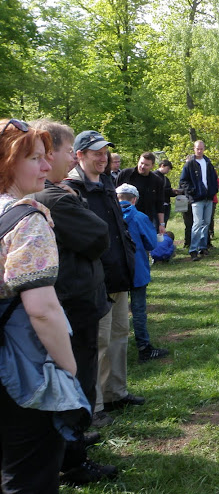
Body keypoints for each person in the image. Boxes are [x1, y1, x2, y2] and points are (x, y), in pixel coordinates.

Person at [30, 119, 117, 485]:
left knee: (80, 376)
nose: (68, 159)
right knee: (73, 379)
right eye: (68, 151)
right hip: (72, 301)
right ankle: (73, 460)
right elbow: (98, 234)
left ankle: (73, 441)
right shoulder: (54, 197)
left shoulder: (58, 193)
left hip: (79, 298)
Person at [0, 119, 81, 493]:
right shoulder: (27, 221)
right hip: (21, 369)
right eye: (35, 158)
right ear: (7, 162)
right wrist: (68, 368)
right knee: (29, 474)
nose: (47, 166)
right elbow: (42, 309)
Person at [65, 131, 144, 428]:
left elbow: (118, 226)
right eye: (96, 153)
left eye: (105, 153)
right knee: (97, 342)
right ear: (80, 155)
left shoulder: (107, 181)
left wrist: (129, 254)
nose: (103, 158)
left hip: (119, 272)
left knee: (120, 334)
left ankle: (115, 393)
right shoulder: (71, 188)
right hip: (96, 279)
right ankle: (94, 405)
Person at [116, 183, 169, 363]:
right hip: (137, 269)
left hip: (115, 271)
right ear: (134, 200)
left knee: (115, 312)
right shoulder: (139, 217)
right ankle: (143, 347)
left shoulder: (109, 216)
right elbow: (152, 244)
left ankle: (117, 352)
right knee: (138, 310)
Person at [179, 140, 218, 261]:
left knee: (206, 223)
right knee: (197, 223)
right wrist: (193, 191)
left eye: (201, 148)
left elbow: (214, 178)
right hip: (197, 198)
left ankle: (203, 246)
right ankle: (193, 249)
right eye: (197, 148)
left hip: (208, 198)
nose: (199, 151)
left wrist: (213, 191)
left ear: (204, 149)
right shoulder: (189, 164)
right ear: (194, 149)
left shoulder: (208, 163)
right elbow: (183, 181)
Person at [116, 152, 166, 232]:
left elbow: (160, 204)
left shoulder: (157, 181)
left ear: (152, 166)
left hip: (146, 218)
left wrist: (161, 224)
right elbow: (113, 194)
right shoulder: (125, 174)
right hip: (123, 217)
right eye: (141, 163)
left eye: (146, 165)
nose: (142, 166)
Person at [153, 159, 177, 228]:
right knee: (156, 225)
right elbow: (157, 190)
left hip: (166, 204)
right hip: (156, 205)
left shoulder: (166, 179)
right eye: (168, 168)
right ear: (162, 166)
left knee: (163, 225)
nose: (168, 171)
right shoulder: (153, 176)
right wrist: (169, 190)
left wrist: (174, 192)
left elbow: (168, 191)